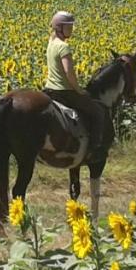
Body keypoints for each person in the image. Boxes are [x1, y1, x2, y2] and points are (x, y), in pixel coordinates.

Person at [44, 10, 111, 163]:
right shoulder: (63, 47)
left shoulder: (51, 43)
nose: (72, 29)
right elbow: (69, 73)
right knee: (98, 112)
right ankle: (94, 150)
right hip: (65, 91)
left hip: (49, 90)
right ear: (60, 28)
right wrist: (79, 90)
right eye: (69, 26)